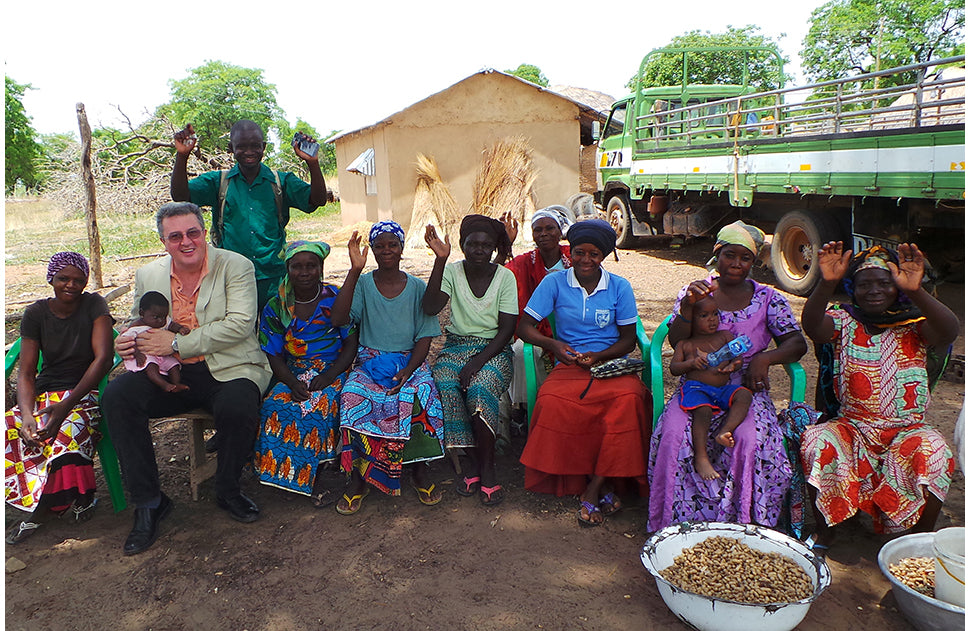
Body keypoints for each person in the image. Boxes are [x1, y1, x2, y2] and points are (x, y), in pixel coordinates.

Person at [101, 202, 272, 556]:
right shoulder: (149, 274)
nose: (186, 242)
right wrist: (125, 339)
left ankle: (228, 489)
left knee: (239, 405)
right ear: (163, 241)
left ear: (205, 233)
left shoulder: (236, 266)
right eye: (175, 236)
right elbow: (137, 320)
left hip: (227, 365)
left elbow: (240, 324)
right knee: (118, 397)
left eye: (193, 232)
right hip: (166, 369)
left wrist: (177, 343)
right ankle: (149, 502)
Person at [647, 220, 807, 533]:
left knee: (749, 438)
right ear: (717, 254)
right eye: (729, 255)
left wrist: (764, 358)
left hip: (745, 386)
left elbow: (796, 343)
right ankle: (672, 523)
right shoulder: (697, 291)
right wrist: (687, 307)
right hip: (697, 384)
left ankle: (743, 522)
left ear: (754, 261)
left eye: (745, 258)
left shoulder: (768, 298)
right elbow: (677, 341)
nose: (736, 263)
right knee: (675, 432)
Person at [799, 242, 958, 552]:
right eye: (864, 284)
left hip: (905, 431)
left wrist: (915, 291)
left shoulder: (916, 326)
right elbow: (813, 327)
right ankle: (826, 533)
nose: (874, 290)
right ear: (853, 289)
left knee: (936, 452)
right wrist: (827, 283)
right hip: (853, 428)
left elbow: (949, 331)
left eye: (884, 283)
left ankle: (918, 542)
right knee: (816, 441)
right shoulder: (844, 321)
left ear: (896, 287)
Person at [517, 219, 650, 527]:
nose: (585, 260)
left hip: (610, 365)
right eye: (579, 253)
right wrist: (554, 345)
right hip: (570, 365)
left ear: (604, 256)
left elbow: (628, 340)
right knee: (552, 401)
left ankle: (594, 486)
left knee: (630, 400)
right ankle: (593, 480)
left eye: (594, 254)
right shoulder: (554, 283)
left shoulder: (619, 286)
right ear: (570, 252)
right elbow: (524, 327)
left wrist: (599, 356)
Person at [329, 221, 446, 515]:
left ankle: (419, 469)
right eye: (379, 246)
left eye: (392, 244)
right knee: (353, 396)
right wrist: (354, 271)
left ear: (402, 248)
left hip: (410, 359)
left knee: (422, 393)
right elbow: (339, 319)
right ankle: (359, 477)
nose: (386, 250)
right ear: (372, 250)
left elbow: (425, 336)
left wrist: (409, 369)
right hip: (370, 361)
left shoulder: (417, 287)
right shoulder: (364, 285)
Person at [4, 253, 114, 544]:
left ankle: (45, 509)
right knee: (11, 427)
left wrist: (66, 405)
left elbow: (103, 359)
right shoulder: (36, 313)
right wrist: (27, 415)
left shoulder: (94, 305)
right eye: (63, 278)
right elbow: (26, 373)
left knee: (68, 431)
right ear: (51, 279)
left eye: (79, 280)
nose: (71, 285)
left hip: (84, 394)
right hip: (46, 393)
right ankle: (49, 497)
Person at [170, 120, 329, 311]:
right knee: (239, 327)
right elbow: (180, 196)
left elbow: (317, 200)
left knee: (276, 327)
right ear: (231, 148)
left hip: (273, 277)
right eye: (242, 147)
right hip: (232, 277)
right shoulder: (219, 182)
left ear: (264, 147)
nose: (249, 151)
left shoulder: (281, 181)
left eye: (255, 146)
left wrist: (312, 163)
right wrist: (182, 155)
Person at [252, 241, 358, 506]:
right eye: (297, 266)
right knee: (274, 405)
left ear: (321, 267)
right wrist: (290, 382)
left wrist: (330, 376)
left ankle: (321, 475)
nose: (304, 272)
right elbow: (274, 354)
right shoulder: (276, 306)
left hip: (334, 368)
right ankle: (283, 475)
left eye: (311, 266)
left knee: (321, 405)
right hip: (294, 371)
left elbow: (351, 343)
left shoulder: (335, 297)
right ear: (287, 269)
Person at [423, 215, 517, 506]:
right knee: (445, 383)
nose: (479, 250)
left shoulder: (505, 277)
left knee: (479, 389)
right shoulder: (452, 271)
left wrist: (476, 363)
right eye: (472, 244)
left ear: (493, 248)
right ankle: (475, 462)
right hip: (456, 347)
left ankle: (487, 469)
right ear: (462, 245)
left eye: (486, 245)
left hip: (494, 350)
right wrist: (440, 261)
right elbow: (430, 307)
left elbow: (507, 330)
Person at [503, 206, 573, 431]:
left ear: (560, 231)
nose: (543, 234)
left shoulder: (574, 257)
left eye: (549, 228)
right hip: (534, 331)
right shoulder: (525, 262)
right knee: (521, 351)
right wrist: (506, 245)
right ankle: (528, 406)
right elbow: (497, 276)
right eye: (538, 230)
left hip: (572, 329)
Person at [669, 295, 753, 480]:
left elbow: (737, 357)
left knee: (744, 396)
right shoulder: (685, 344)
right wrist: (691, 364)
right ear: (691, 319)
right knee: (703, 410)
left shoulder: (725, 336)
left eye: (715, 313)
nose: (712, 319)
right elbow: (674, 368)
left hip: (722, 389)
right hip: (697, 389)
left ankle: (725, 431)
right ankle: (701, 457)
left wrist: (734, 365)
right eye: (704, 315)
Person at [119, 291, 191, 393]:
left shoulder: (163, 321)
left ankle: (176, 384)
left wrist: (180, 329)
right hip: (146, 355)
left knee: (174, 365)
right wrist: (137, 354)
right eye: (156, 317)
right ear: (142, 313)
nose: (161, 321)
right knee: (151, 367)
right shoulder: (135, 327)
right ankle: (164, 385)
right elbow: (129, 341)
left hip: (163, 355)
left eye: (163, 317)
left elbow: (171, 325)